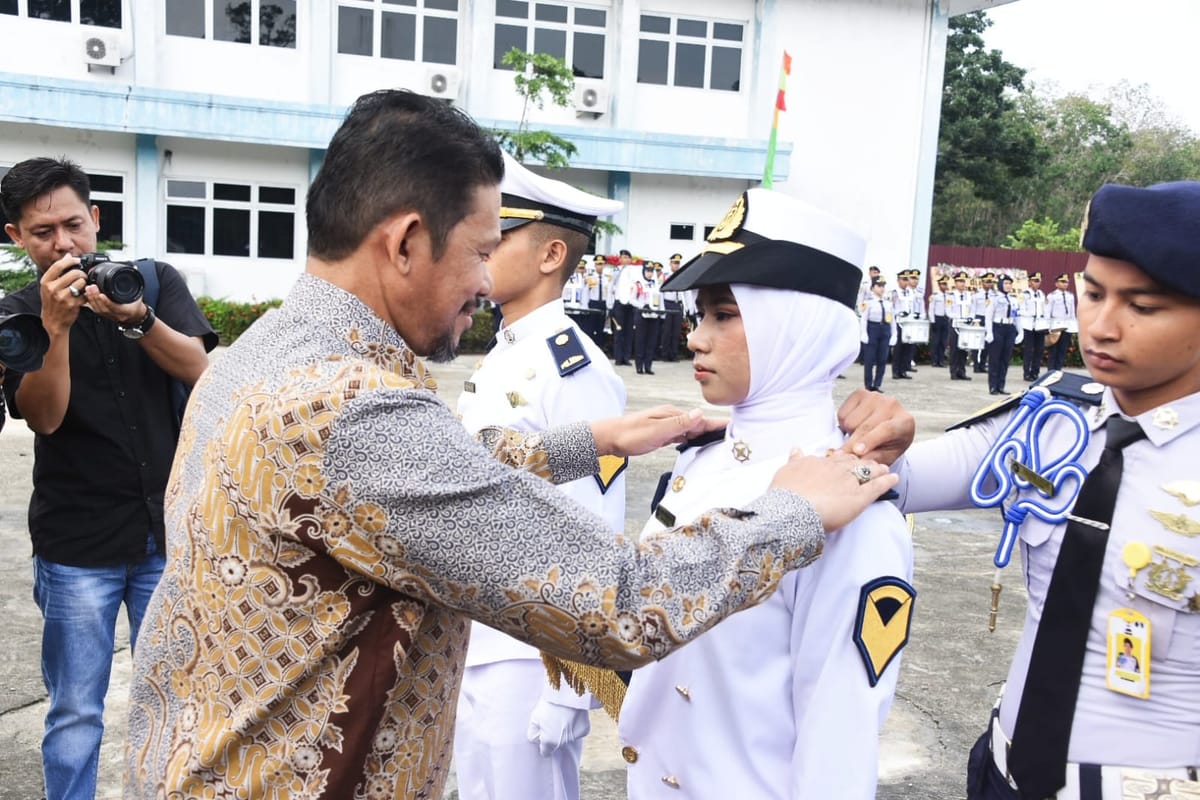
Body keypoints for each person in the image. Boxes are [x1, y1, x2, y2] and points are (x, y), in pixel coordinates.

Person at [123, 89, 900, 799]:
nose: (489, 283)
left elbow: (396, 487)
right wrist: (793, 512)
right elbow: (619, 603)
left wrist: (584, 442)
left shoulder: (266, 355)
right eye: (479, 251)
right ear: (404, 243)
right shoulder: (350, 408)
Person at [884, 181, 1200, 800]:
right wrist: (871, 439)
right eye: (1093, 293)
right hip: (1003, 772)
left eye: (1142, 306)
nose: (1102, 327)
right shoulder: (1049, 421)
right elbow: (897, 479)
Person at [618, 188, 914, 798]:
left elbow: (838, 741)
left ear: (796, 328)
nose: (696, 339)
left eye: (723, 316)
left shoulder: (852, 505)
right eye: (700, 315)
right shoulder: (702, 457)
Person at [0, 156, 217, 800]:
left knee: (175, 699)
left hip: (165, 534)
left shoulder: (149, 281)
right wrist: (55, 328)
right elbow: (44, 416)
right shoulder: (15, 316)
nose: (63, 244)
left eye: (73, 224)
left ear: (96, 218)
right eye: (42, 233)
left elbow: (201, 371)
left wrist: (138, 319)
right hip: (79, 546)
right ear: (16, 236)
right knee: (75, 710)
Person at [453, 153, 625, 800]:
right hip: (479, 634)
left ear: (551, 254)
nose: (481, 252)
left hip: (532, 657)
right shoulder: (504, 351)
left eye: (498, 240)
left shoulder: (572, 368)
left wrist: (571, 687)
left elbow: (593, 531)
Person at [984, 274, 1021, 395]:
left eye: (1010, 283)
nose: (1008, 286)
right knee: (995, 359)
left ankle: (1001, 385)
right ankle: (993, 386)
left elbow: (1016, 317)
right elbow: (988, 316)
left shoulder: (1014, 300)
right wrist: (989, 332)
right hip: (997, 327)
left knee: (1005, 359)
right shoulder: (994, 299)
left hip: (1009, 328)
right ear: (1000, 284)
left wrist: (1020, 331)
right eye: (1005, 283)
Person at [861, 277, 895, 392]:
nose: (881, 288)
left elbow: (892, 319)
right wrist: (864, 333)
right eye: (879, 286)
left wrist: (894, 334)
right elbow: (864, 319)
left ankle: (877, 384)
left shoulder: (888, 303)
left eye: (883, 286)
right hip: (873, 328)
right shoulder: (868, 303)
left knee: (882, 359)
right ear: (872, 288)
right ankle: (868, 384)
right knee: (869, 359)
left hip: (884, 329)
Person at [633, 260, 665, 375]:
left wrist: (662, 313)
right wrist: (642, 306)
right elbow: (632, 299)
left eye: (651, 271)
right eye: (647, 271)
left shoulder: (656, 285)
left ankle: (648, 366)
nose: (649, 274)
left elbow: (660, 299)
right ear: (643, 271)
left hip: (654, 315)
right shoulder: (638, 284)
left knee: (651, 342)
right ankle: (639, 366)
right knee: (640, 341)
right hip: (642, 315)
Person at [610, 248, 638, 365]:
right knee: (619, 331)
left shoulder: (634, 271)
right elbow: (611, 287)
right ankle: (618, 357)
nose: (624, 259)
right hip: (618, 303)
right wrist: (610, 305)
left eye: (627, 257)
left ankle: (626, 357)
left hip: (630, 304)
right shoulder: (616, 271)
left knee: (628, 332)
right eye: (622, 257)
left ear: (630, 259)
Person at [1019, 272, 1047, 382]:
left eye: (1039, 281)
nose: (1037, 283)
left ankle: (1035, 372)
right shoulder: (1024, 294)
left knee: (1039, 350)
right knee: (1028, 350)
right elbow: (1021, 309)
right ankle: (1026, 373)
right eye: (1035, 281)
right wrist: (1030, 314)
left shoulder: (1041, 294)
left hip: (1039, 325)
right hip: (1028, 325)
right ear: (1030, 282)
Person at [1046, 272, 1077, 372]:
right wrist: (1048, 327)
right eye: (1062, 282)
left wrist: (1073, 327)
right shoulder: (1052, 296)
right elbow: (1047, 312)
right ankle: (1051, 371)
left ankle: (1058, 370)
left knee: (1062, 350)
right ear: (1056, 283)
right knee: (1053, 350)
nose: (1065, 284)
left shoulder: (1070, 296)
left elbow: (1072, 313)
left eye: (1067, 282)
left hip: (1066, 324)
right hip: (1055, 324)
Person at [658, 253, 686, 361]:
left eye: (678, 263)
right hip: (667, 303)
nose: (676, 265)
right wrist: (661, 307)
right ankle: (665, 354)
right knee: (667, 331)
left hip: (677, 304)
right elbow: (660, 291)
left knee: (676, 331)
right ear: (670, 264)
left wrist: (686, 306)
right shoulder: (664, 276)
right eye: (674, 263)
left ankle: (673, 354)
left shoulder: (681, 275)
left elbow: (684, 292)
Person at [947, 271, 975, 381]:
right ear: (955, 282)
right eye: (959, 281)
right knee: (954, 349)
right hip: (955, 325)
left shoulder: (969, 295)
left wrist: (970, 317)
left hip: (965, 325)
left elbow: (972, 309)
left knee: (964, 349)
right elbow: (948, 311)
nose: (962, 284)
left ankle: (962, 371)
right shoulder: (951, 296)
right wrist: (958, 318)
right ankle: (953, 372)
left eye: (963, 281)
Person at [929, 274, 950, 368]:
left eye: (946, 284)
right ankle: (934, 360)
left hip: (946, 319)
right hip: (937, 319)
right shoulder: (935, 296)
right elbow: (931, 309)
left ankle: (941, 360)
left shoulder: (949, 296)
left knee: (943, 341)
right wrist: (932, 321)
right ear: (939, 285)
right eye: (943, 284)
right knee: (935, 341)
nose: (945, 286)